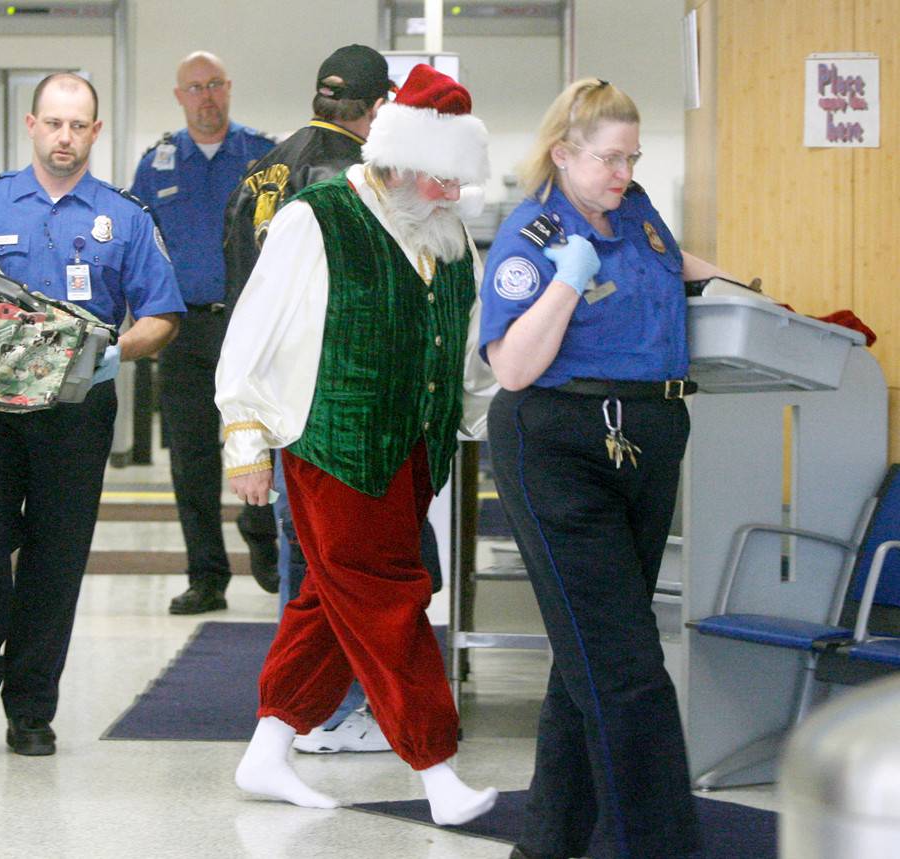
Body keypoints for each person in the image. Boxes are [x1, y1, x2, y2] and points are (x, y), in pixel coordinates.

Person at [215, 64, 499, 825]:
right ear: (398, 159)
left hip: (412, 450)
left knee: (328, 599)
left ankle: (268, 748)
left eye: (458, 182)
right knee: (388, 598)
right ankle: (437, 768)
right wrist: (244, 438)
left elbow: (464, 347)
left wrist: (477, 417)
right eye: (441, 179)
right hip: (329, 441)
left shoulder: (446, 236)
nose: (451, 196)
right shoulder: (317, 217)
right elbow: (254, 328)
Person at [480, 78, 734, 858]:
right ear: (563, 153)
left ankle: (549, 842)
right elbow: (513, 365)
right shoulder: (533, 236)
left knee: (588, 651)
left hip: (648, 437)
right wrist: (566, 275)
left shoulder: (636, 208)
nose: (623, 173)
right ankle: (661, 845)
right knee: (628, 667)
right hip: (561, 443)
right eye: (608, 159)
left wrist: (739, 291)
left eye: (632, 156)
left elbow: (669, 258)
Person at [0, 72, 184, 757]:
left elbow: (162, 315)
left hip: (76, 413)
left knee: (56, 560)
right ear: (31, 125)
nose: (65, 137)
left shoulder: (125, 217)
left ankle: (31, 708)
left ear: (95, 131)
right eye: (53, 123)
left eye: (78, 125)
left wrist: (115, 352)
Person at [223, 43, 395, 754]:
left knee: (307, 562)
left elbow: (242, 295)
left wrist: (246, 423)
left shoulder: (260, 171)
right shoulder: (353, 181)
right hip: (339, 401)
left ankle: (305, 706)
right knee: (349, 562)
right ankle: (344, 703)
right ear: (378, 107)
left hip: (275, 395)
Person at [131, 52, 277, 614]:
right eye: (194, 87)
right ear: (179, 96)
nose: (206, 96)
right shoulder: (158, 166)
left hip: (253, 329)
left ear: (229, 87)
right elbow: (140, 247)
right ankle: (207, 577)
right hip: (186, 330)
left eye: (214, 84)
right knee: (191, 458)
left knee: (265, 441)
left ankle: (262, 533)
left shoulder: (265, 155)